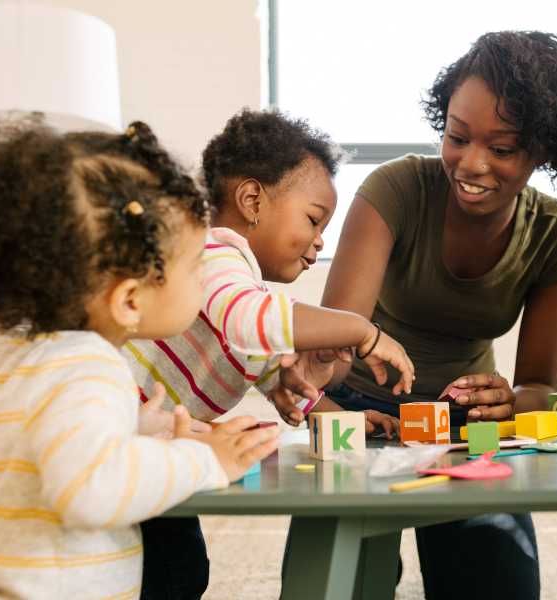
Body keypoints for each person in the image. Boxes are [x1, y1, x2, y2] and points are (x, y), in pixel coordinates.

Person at [303, 30, 557, 598]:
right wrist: (316, 403)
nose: (471, 164)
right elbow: (331, 349)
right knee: (345, 580)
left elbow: (540, 386)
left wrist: (511, 401)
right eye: (457, 136)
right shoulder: (395, 190)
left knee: (497, 582)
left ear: (543, 150)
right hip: (359, 413)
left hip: (468, 426)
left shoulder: (554, 235)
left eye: (502, 149)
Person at [0, 116, 279, 599]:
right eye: (195, 269)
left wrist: (132, 428)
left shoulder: (11, 341)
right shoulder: (91, 365)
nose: (201, 285)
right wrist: (204, 460)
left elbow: (40, 442)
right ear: (129, 300)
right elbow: (89, 491)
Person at [123, 108, 414, 598]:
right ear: (253, 199)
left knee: (180, 568)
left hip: (155, 441)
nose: (320, 241)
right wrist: (361, 330)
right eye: (314, 219)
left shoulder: (245, 288)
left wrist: (334, 417)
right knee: (164, 569)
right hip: (122, 430)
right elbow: (249, 319)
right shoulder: (214, 252)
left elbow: (274, 379)